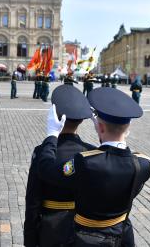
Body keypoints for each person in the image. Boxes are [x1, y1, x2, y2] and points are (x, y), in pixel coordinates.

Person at [35, 87, 150, 247]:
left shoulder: (86, 162)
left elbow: (46, 169)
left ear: (100, 127)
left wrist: (52, 135)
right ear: (128, 127)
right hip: (122, 236)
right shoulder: (144, 163)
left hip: (88, 238)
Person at [24, 85, 95, 247]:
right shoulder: (91, 152)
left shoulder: (43, 152)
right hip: (83, 229)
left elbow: (33, 200)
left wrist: (30, 239)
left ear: (55, 116)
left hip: (50, 228)